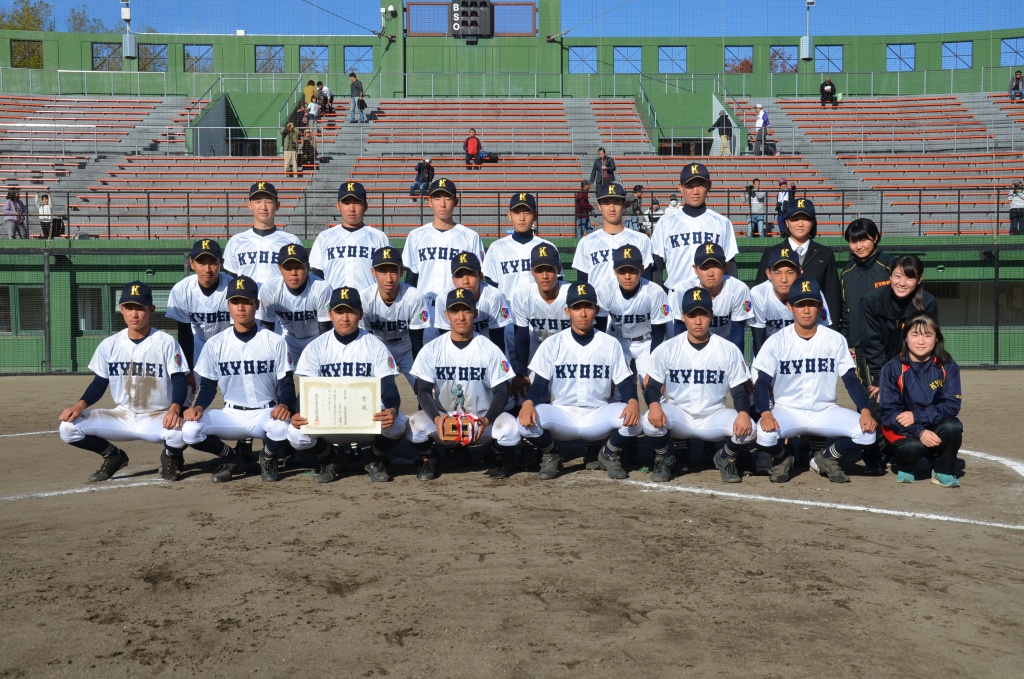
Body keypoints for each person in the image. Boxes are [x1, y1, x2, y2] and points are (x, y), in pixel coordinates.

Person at [58, 282, 189, 483]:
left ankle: (170, 457)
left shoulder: (165, 341)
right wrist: (79, 405)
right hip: (122, 415)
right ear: (121, 309)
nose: (134, 314)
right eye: (129, 308)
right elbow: (100, 382)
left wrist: (174, 409)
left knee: (184, 431)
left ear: (151, 310)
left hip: (156, 416)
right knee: (68, 429)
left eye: (140, 308)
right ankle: (113, 456)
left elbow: (179, 380)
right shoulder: (110, 345)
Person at [752, 277, 877, 484]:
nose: (806, 310)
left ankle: (825, 457)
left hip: (825, 410)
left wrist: (865, 411)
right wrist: (766, 413)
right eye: (800, 304)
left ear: (820, 307)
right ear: (790, 306)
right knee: (764, 435)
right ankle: (784, 456)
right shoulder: (776, 341)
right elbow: (762, 382)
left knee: (867, 434)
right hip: (787, 410)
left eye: (811, 304)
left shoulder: (835, 339)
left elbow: (851, 380)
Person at [517, 282, 641, 481]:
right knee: (523, 424)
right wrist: (529, 403)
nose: (583, 313)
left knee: (636, 421)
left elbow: (625, 382)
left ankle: (608, 453)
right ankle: (552, 453)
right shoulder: (553, 343)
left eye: (588, 307)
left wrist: (633, 402)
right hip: (562, 414)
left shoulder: (610, 344)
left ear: (596, 310)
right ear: (567, 311)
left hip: (597, 413)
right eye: (576, 307)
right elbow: (539, 383)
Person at [287, 287, 408, 484]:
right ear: (330, 314)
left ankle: (373, 457)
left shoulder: (374, 345)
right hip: (328, 420)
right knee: (295, 434)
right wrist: (298, 413)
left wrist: (393, 409)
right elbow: (306, 390)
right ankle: (331, 457)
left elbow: (388, 384)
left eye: (351, 311)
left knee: (399, 422)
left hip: (366, 418)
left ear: (361, 314)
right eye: (339, 311)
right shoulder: (316, 347)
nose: (345, 318)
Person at [181, 276, 294, 483]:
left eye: (246, 302)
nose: (240, 307)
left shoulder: (275, 341)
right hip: (231, 414)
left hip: (265, 412)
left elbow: (286, 382)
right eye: (235, 302)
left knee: (283, 427)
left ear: (256, 305)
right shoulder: (215, 344)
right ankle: (231, 458)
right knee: (189, 430)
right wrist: (198, 406)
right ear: (228, 305)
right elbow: (207, 386)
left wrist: (285, 404)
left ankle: (267, 456)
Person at [642, 286, 757, 483]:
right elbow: (652, 387)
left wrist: (744, 414)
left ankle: (725, 457)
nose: (697, 321)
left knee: (752, 429)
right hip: (679, 415)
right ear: (683, 316)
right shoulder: (668, 348)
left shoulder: (728, 349)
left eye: (703, 314)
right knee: (648, 421)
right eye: (692, 314)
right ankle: (665, 457)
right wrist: (654, 406)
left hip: (714, 415)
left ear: (711, 315)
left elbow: (739, 392)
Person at [407, 288, 521, 480]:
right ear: (446, 315)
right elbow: (424, 391)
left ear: (475, 313)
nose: (461, 317)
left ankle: (494, 455)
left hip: (481, 420)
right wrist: (436, 418)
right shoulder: (432, 349)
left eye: (466, 310)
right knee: (413, 425)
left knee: (512, 429)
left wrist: (487, 420)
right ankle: (429, 458)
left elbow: (502, 391)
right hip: (444, 419)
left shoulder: (489, 348)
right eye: (455, 311)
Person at [879, 313, 963, 487]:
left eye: (928, 335)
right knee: (912, 448)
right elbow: (890, 412)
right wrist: (919, 432)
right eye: (915, 334)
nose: (921, 341)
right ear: (906, 338)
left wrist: (917, 417)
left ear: (937, 338)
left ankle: (942, 471)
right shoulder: (892, 368)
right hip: (902, 426)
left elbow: (952, 404)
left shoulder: (948, 365)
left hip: (928, 421)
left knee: (953, 426)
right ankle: (905, 464)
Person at [402, 178, 485, 341]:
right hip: (424, 309)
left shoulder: (470, 237)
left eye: (447, 198)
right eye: (437, 198)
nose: (442, 203)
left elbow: (478, 280)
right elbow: (412, 278)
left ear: (456, 201)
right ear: (429, 201)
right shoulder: (416, 236)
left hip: (457, 309)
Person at [651, 162, 739, 302]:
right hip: (676, 297)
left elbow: (730, 264)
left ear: (709, 186)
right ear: (681, 187)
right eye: (690, 186)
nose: (695, 191)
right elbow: (657, 264)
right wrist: (658, 298)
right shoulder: (666, 222)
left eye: (700, 185)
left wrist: (732, 296)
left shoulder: (722, 222)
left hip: (713, 297)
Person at [482, 192, 552, 366]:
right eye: (517, 212)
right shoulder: (497, 248)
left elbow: (554, 288)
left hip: (539, 321)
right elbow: (491, 290)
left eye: (527, 212)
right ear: (509, 215)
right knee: (511, 376)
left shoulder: (546, 247)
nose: (522, 217)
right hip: (508, 322)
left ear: (535, 215)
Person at [754, 198, 842, 332]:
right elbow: (761, 294)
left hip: (815, 329)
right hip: (777, 329)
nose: (800, 224)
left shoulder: (825, 254)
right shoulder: (772, 253)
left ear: (813, 222)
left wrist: (832, 332)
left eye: (805, 219)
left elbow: (832, 297)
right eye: (795, 219)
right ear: (786, 223)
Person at [860, 255, 939, 397]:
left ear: (919, 280)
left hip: (912, 364)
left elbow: (925, 343)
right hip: (876, 363)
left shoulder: (928, 303)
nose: (902, 283)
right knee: (877, 407)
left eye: (909, 278)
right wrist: (881, 378)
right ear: (890, 276)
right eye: (897, 276)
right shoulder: (871, 301)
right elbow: (871, 342)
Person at [571, 182, 654, 309]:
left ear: (624, 205)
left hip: (632, 309)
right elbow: (583, 284)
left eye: (616, 202)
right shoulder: (586, 242)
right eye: (606, 203)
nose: (612, 208)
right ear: (599, 206)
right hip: (597, 309)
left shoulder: (641, 240)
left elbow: (647, 282)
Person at [596, 245, 671, 382]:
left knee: (651, 387)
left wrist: (653, 369)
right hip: (617, 340)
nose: (627, 276)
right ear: (614, 271)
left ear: (641, 270)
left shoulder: (655, 292)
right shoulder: (605, 291)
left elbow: (659, 333)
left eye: (632, 270)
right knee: (615, 390)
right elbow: (599, 329)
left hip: (647, 342)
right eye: (622, 271)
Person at [360, 246, 430, 388]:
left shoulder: (414, 297)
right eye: (383, 272)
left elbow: (417, 338)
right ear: (373, 272)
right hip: (379, 346)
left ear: (401, 271)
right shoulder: (364, 298)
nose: (389, 278)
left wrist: (419, 374)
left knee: (424, 388)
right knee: (372, 389)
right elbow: (365, 340)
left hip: (407, 346)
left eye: (394, 271)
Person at [838, 218, 896, 385]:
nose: (859, 246)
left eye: (863, 240)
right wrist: (848, 341)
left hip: (890, 345)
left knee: (894, 392)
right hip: (862, 346)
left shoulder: (890, 265)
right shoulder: (847, 272)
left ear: (875, 238)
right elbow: (845, 310)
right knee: (867, 397)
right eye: (853, 241)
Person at [165, 239, 233, 372]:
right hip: (197, 344)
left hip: (228, 344)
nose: (207, 269)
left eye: (213, 263)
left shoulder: (233, 287)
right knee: (189, 389)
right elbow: (184, 333)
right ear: (192, 263)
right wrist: (188, 369)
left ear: (222, 263)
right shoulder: (181, 289)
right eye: (201, 263)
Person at [308, 181, 390, 291]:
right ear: (338, 206)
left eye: (357, 202)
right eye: (346, 203)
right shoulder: (324, 237)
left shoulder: (379, 238)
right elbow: (317, 274)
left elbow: (388, 273)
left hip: (368, 305)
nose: (351, 208)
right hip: (334, 305)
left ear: (366, 206)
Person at [749, 248, 832, 357]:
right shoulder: (759, 293)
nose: (784, 279)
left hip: (804, 352)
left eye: (789, 272)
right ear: (768, 273)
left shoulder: (812, 291)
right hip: (769, 351)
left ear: (799, 272)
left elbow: (824, 331)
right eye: (777, 273)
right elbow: (759, 340)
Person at [673, 243, 753, 353]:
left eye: (715, 266)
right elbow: (679, 331)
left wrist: (736, 361)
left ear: (725, 266)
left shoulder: (738, 290)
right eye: (704, 268)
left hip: (726, 345)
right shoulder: (683, 291)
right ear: (695, 269)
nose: (710, 273)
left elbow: (737, 335)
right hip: (692, 347)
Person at [257, 244, 332, 360]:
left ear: (308, 267)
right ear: (279, 268)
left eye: (298, 267)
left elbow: (325, 328)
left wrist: (324, 354)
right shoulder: (269, 289)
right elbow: (267, 327)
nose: (293, 273)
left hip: (316, 336)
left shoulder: (322, 288)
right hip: (287, 336)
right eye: (288, 267)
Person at [511, 244, 572, 383]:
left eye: (549, 270)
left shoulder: (571, 293)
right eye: (539, 270)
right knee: (526, 395)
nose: (544, 276)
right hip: (536, 349)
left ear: (558, 269)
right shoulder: (522, 294)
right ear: (532, 271)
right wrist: (521, 372)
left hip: (567, 350)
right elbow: (521, 336)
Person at [222, 182, 301, 285]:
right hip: (247, 300)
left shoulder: (291, 241)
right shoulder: (236, 241)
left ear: (277, 205)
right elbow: (231, 280)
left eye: (269, 201)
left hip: (280, 301)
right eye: (258, 201)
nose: (263, 207)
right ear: (249, 205)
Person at [434, 252, 511, 350]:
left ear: (481, 276)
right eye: (459, 276)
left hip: (489, 350)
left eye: (471, 274)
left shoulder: (494, 296)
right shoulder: (443, 299)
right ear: (453, 279)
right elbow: (445, 339)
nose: (465, 281)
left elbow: (497, 339)